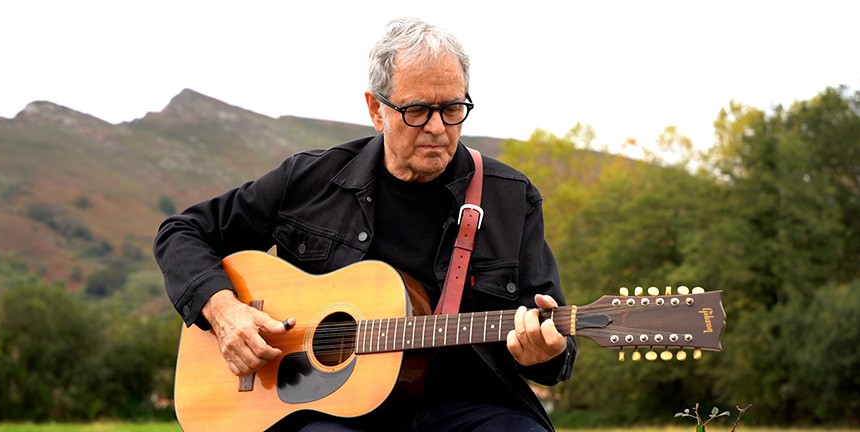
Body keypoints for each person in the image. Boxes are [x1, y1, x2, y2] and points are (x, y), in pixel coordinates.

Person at [154, 17, 577, 431]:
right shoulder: (309, 180)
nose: (437, 128)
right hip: (327, 412)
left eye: (452, 109)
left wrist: (542, 352)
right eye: (416, 111)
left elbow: (556, 347)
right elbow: (182, 232)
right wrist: (224, 309)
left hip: (469, 406)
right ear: (377, 110)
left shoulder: (510, 198)